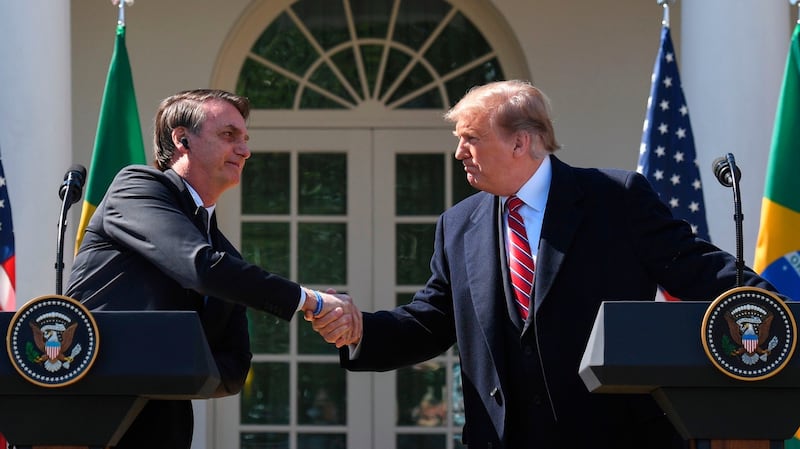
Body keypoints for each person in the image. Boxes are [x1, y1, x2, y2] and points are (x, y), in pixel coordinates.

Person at [312, 80, 779, 449]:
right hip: (502, 437)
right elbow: (432, 320)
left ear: (521, 143)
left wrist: (775, 310)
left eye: (471, 139)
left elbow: (696, 268)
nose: (459, 153)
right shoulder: (458, 224)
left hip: (614, 436)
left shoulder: (615, 200)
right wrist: (360, 331)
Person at [65, 89, 360, 449]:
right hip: (88, 421)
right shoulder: (135, 189)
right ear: (182, 139)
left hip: (164, 430)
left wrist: (173, 364)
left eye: (245, 139)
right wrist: (309, 301)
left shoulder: (224, 255)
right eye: (228, 135)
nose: (245, 150)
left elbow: (235, 369)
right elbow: (200, 269)